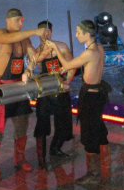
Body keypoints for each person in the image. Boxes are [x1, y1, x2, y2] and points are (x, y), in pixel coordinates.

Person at [45, 19, 108, 181]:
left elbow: (67, 65)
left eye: (79, 33)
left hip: (91, 96)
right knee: (98, 128)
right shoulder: (99, 47)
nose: (76, 35)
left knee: (89, 132)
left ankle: (94, 174)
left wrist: (55, 48)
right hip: (99, 93)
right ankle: (102, 167)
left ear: (87, 34)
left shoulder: (89, 53)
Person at [0, 8, 46, 176]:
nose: (20, 23)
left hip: (19, 86)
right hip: (2, 87)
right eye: (17, 20)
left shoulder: (24, 38)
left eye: (22, 21)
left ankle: (19, 159)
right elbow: (9, 38)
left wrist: (29, 69)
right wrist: (35, 31)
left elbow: (33, 56)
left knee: (22, 123)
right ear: (7, 20)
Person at [33, 20, 75, 168]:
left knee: (63, 121)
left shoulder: (62, 47)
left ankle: (55, 147)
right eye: (42, 32)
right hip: (45, 92)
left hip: (60, 89)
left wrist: (67, 81)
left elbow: (72, 66)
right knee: (42, 123)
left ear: (52, 32)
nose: (45, 35)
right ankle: (41, 159)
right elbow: (39, 69)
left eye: (47, 32)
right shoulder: (37, 51)